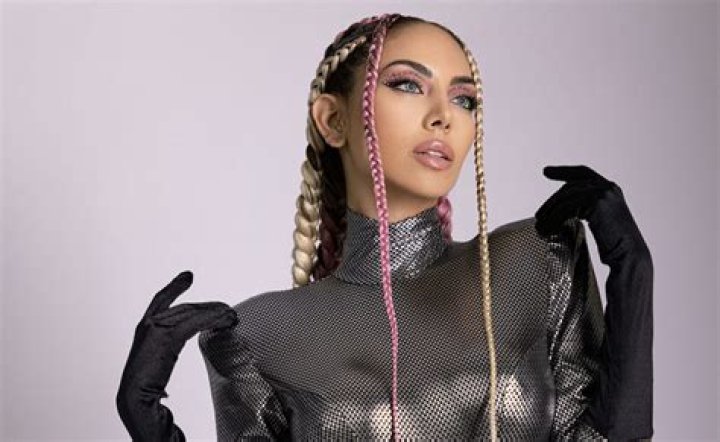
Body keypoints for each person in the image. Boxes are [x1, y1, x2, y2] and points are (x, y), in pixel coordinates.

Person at [116, 13, 654, 441]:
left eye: (464, 98)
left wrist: (633, 274)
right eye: (407, 85)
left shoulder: (535, 262)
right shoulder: (257, 335)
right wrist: (148, 425)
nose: (444, 115)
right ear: (333, 120)